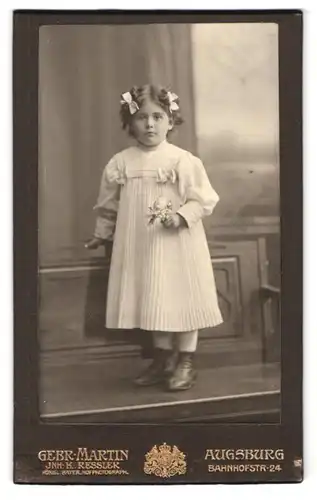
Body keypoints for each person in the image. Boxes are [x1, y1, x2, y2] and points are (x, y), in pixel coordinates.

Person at [85, 84, 223, 391]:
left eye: (158, 117)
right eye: (142, 117)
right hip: (140, 245)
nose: (150, 124)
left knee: (182, 296)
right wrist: (101, 235)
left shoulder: (181, 160)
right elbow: (108, 205)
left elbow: (203, 200)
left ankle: (185, 360)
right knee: (153, 297)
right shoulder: (121, 162)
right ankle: (163, 359)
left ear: (170, 121)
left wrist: (182, 215)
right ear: (129, 123)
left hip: (178, 243)